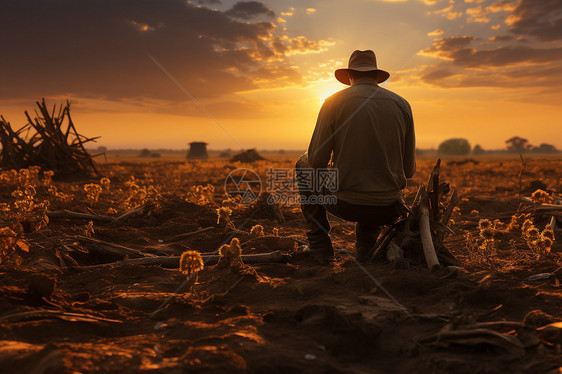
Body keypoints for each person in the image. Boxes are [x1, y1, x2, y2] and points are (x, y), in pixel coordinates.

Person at [296, 49, 416, 263]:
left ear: (349, 76)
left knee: (303, 163)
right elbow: (409, 171)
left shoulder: (333, 102)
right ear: (376, 76)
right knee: (377, 180)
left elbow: (316, 162)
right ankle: (365, 247)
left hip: (345, 204)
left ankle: (319, 245)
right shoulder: (402, 104)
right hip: (388, 208)